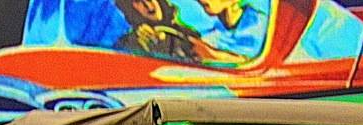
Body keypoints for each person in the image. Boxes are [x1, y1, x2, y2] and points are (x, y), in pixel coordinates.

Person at [112, 0, 269, 64]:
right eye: (137, 1)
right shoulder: (208, 35)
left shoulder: (261, 29)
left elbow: (261, 69)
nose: (148, 5)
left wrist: (214, 56)